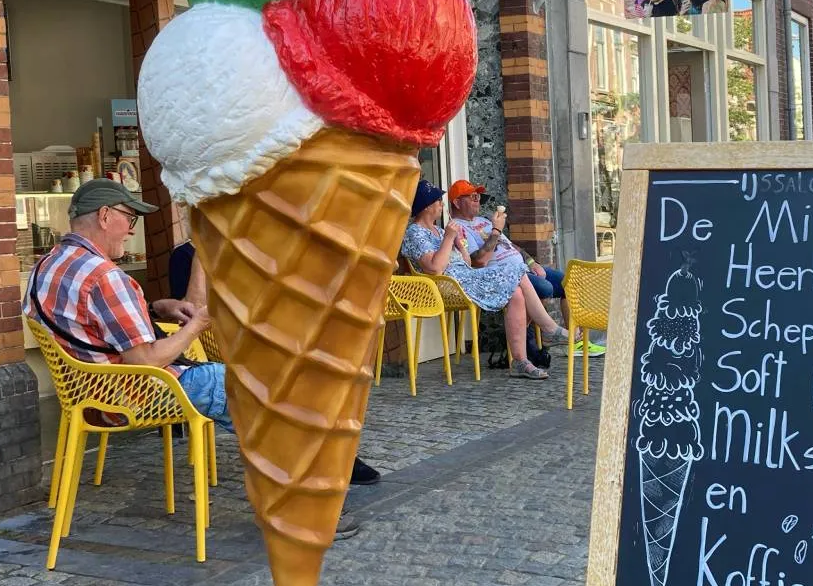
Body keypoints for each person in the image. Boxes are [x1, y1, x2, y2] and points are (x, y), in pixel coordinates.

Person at [167, 229, 380, 491]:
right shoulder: (185, 255)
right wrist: (203, 250)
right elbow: (192, 310)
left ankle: (333, 454)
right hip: (223, 341)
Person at [23, 180, 229, 433]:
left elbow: (88, 322)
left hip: (84, 398)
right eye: (131, 219)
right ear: (104, 216)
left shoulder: (46, 265)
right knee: (244, 384)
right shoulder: (104, 276)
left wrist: (154, 309)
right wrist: (198, 324)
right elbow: (145, 361)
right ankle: (269, 456)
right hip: (130, 398)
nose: (132, 231)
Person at [401, 181, 568, 380]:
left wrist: (459, 246)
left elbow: (466, 262)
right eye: (438, 201)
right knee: (516, 272)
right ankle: (548, 329)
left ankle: (520, 361)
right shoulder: (415, 233)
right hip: (450, 286)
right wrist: (449, 238)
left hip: (466, 277)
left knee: (515, 291)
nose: (442, 205)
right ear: (427, 206)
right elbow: (435, 268)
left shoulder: (439, 230)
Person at [447, 180, 605, 358]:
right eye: (473, 197)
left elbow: (510, 245)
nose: (478, 200)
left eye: (478, 196)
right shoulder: (457, 229)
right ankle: (535, 339)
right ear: (457, 202)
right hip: (504, 274)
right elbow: (478, 261)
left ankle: (576, 343)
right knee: (545, 288)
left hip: (522, 267)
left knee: (568, 282)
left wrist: (531, 262)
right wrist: (496, 230)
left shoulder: (483, 221)